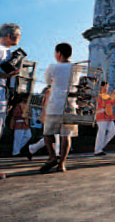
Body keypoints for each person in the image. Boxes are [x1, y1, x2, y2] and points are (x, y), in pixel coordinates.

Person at [40, 42, 78, 173]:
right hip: (70, 104)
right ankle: (62, 163)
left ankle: (51, 157)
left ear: (59, 54)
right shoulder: (76, 68)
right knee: (66, 135)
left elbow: (48, 81)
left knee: (47, 133)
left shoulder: (53, 67)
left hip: (55, 104)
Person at [0, 23, 22, 179]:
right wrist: (7, 76)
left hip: (2, 96)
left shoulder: (9, 52)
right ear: (10, 35)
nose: (19, 37)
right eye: (18, 34)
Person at [94, 81, 115, 156]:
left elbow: (112, 103)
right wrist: (113, 96)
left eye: (107, 87)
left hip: (109, 116)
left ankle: (100, 147)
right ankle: (98, 150)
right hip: (101, 116)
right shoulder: (99, 95)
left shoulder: (106, 95)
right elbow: (106, 102)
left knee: (113, 131)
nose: (107, 88)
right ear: (102, 87)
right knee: (101, 133)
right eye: (105, 87)